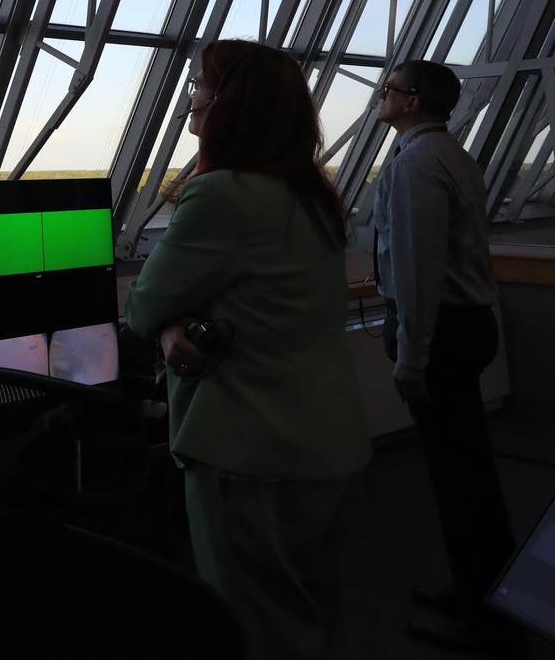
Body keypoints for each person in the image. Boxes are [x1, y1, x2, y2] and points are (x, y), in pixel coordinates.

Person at [124, 39, 369, 660]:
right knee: (311, 607)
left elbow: (144, 307)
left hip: (251, 448)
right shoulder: (309, 195)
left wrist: (171, 330)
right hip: (323, 437)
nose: (191, 104)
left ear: (231, 108)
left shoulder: (223, 195)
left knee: (255, 625)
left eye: (201, 91)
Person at [369, 58, 517, 655]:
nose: (382, 95)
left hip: (441, 333)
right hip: (463, 326)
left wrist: (412, 355)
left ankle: (482, 612)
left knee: (456, 475)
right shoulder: (451, 155)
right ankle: (482, 588)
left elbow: (417, 266)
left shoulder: (417, 164)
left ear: (412, 102)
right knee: (467, 468)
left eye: (390, 89)